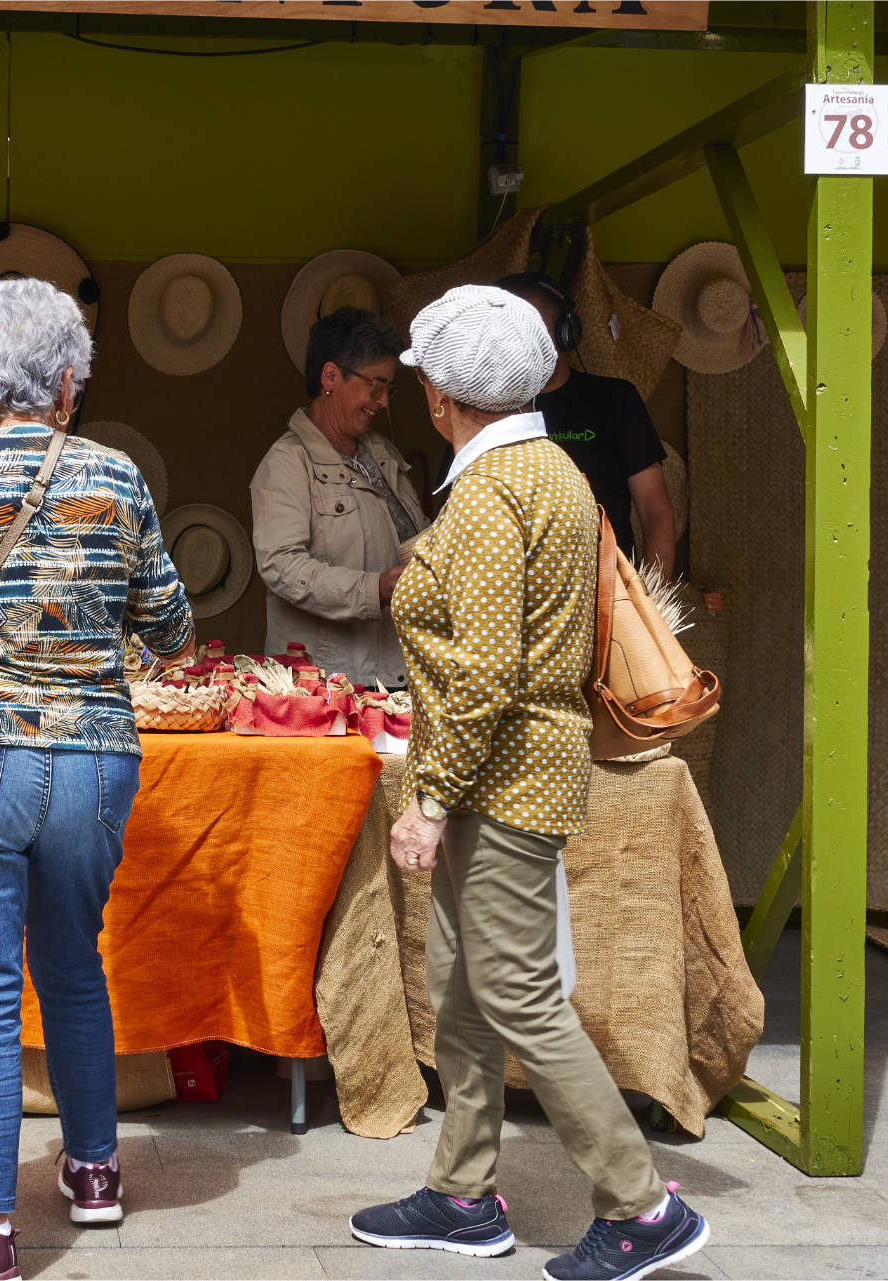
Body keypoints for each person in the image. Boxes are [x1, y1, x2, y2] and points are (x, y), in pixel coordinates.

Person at [348, 285, 710, 1281]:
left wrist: (428, 799)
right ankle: (462, 1194)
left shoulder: (495, 492)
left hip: (499, 781)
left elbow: (482, 671)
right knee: (462, 983)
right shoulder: (545, 469)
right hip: (510, 774)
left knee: (515, 990)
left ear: (439, 397)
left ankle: (639, 1208)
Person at [0, 278, 195, 1281]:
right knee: (73, 962)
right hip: (100, 761)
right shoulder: (117, 472)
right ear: (67, 383)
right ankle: (93, 1173)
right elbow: (173, 628)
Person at [250, 307, 427, 687]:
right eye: (375, 386)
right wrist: (374, 588)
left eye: (388, 388)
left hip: (396, 674)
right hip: (327, 683)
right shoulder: (286, 463)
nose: (383, 401)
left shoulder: (382, 453)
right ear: (330, 376)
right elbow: (282, 567)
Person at [497, 273, 676, 577]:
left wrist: (652, 602)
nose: (523, 344)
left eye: (535, 331)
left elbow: (654, 510)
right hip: (516, 603)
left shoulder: (615, 399)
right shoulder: (482, 410)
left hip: (607, 598)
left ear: (568, 333)